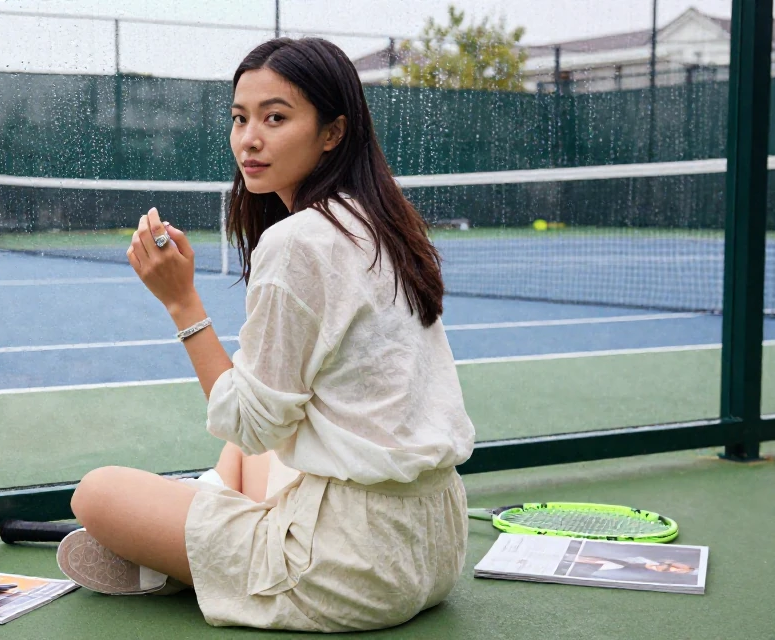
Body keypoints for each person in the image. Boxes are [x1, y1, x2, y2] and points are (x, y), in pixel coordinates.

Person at [55, 37, 475, 632]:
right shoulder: (382, 221)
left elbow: (251, 423)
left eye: (275, 118)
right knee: (244, 456)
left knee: (96, 495)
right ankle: (198, 527)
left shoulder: (299, 241)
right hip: (433, 547)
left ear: (332, 132)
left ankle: (188, 547)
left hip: (349, 568)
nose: (248, 138)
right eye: (239, 118)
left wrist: (181, 301)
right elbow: (265, 433)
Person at [570, 554, 697, 584]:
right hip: (632, 565)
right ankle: (573, 558)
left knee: (601, 564)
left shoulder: (664, 572)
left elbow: (662, 567)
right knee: (602, 560)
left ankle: (574, 561)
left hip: (631, 569)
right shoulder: (649, 562)